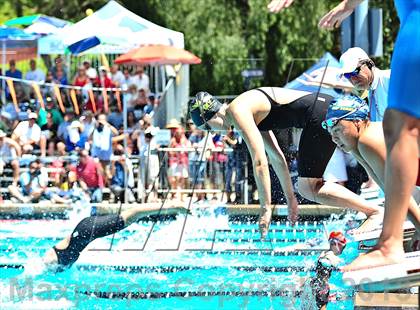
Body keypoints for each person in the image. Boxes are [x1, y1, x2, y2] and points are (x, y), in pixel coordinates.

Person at [189, 88, 382, 239]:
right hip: (326, 107)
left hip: (316, 114)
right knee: (361, 154)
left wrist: (265, 209)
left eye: (207, 127)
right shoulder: (247, 109)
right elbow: (276, 158)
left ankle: (373, 212)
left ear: (211, 114)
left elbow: (259, 162)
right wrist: (291, 201)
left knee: (308, 188)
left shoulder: (237, 110)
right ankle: (391, 206)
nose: (211, 133)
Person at [42, 204, 189, 272]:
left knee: (132, 215)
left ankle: (174, 207)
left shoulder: (51, 262)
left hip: (86, 231)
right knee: (130, 216)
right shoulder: (54, 261)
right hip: (84, 229)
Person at [300, 231, 347, 310]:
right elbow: (331, 263)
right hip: (322, 286)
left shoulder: (324, 253)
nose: (342, 250)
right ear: (335, 244)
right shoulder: (332, 257)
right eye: (343, 247)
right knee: (322, 307)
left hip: (314, 282)